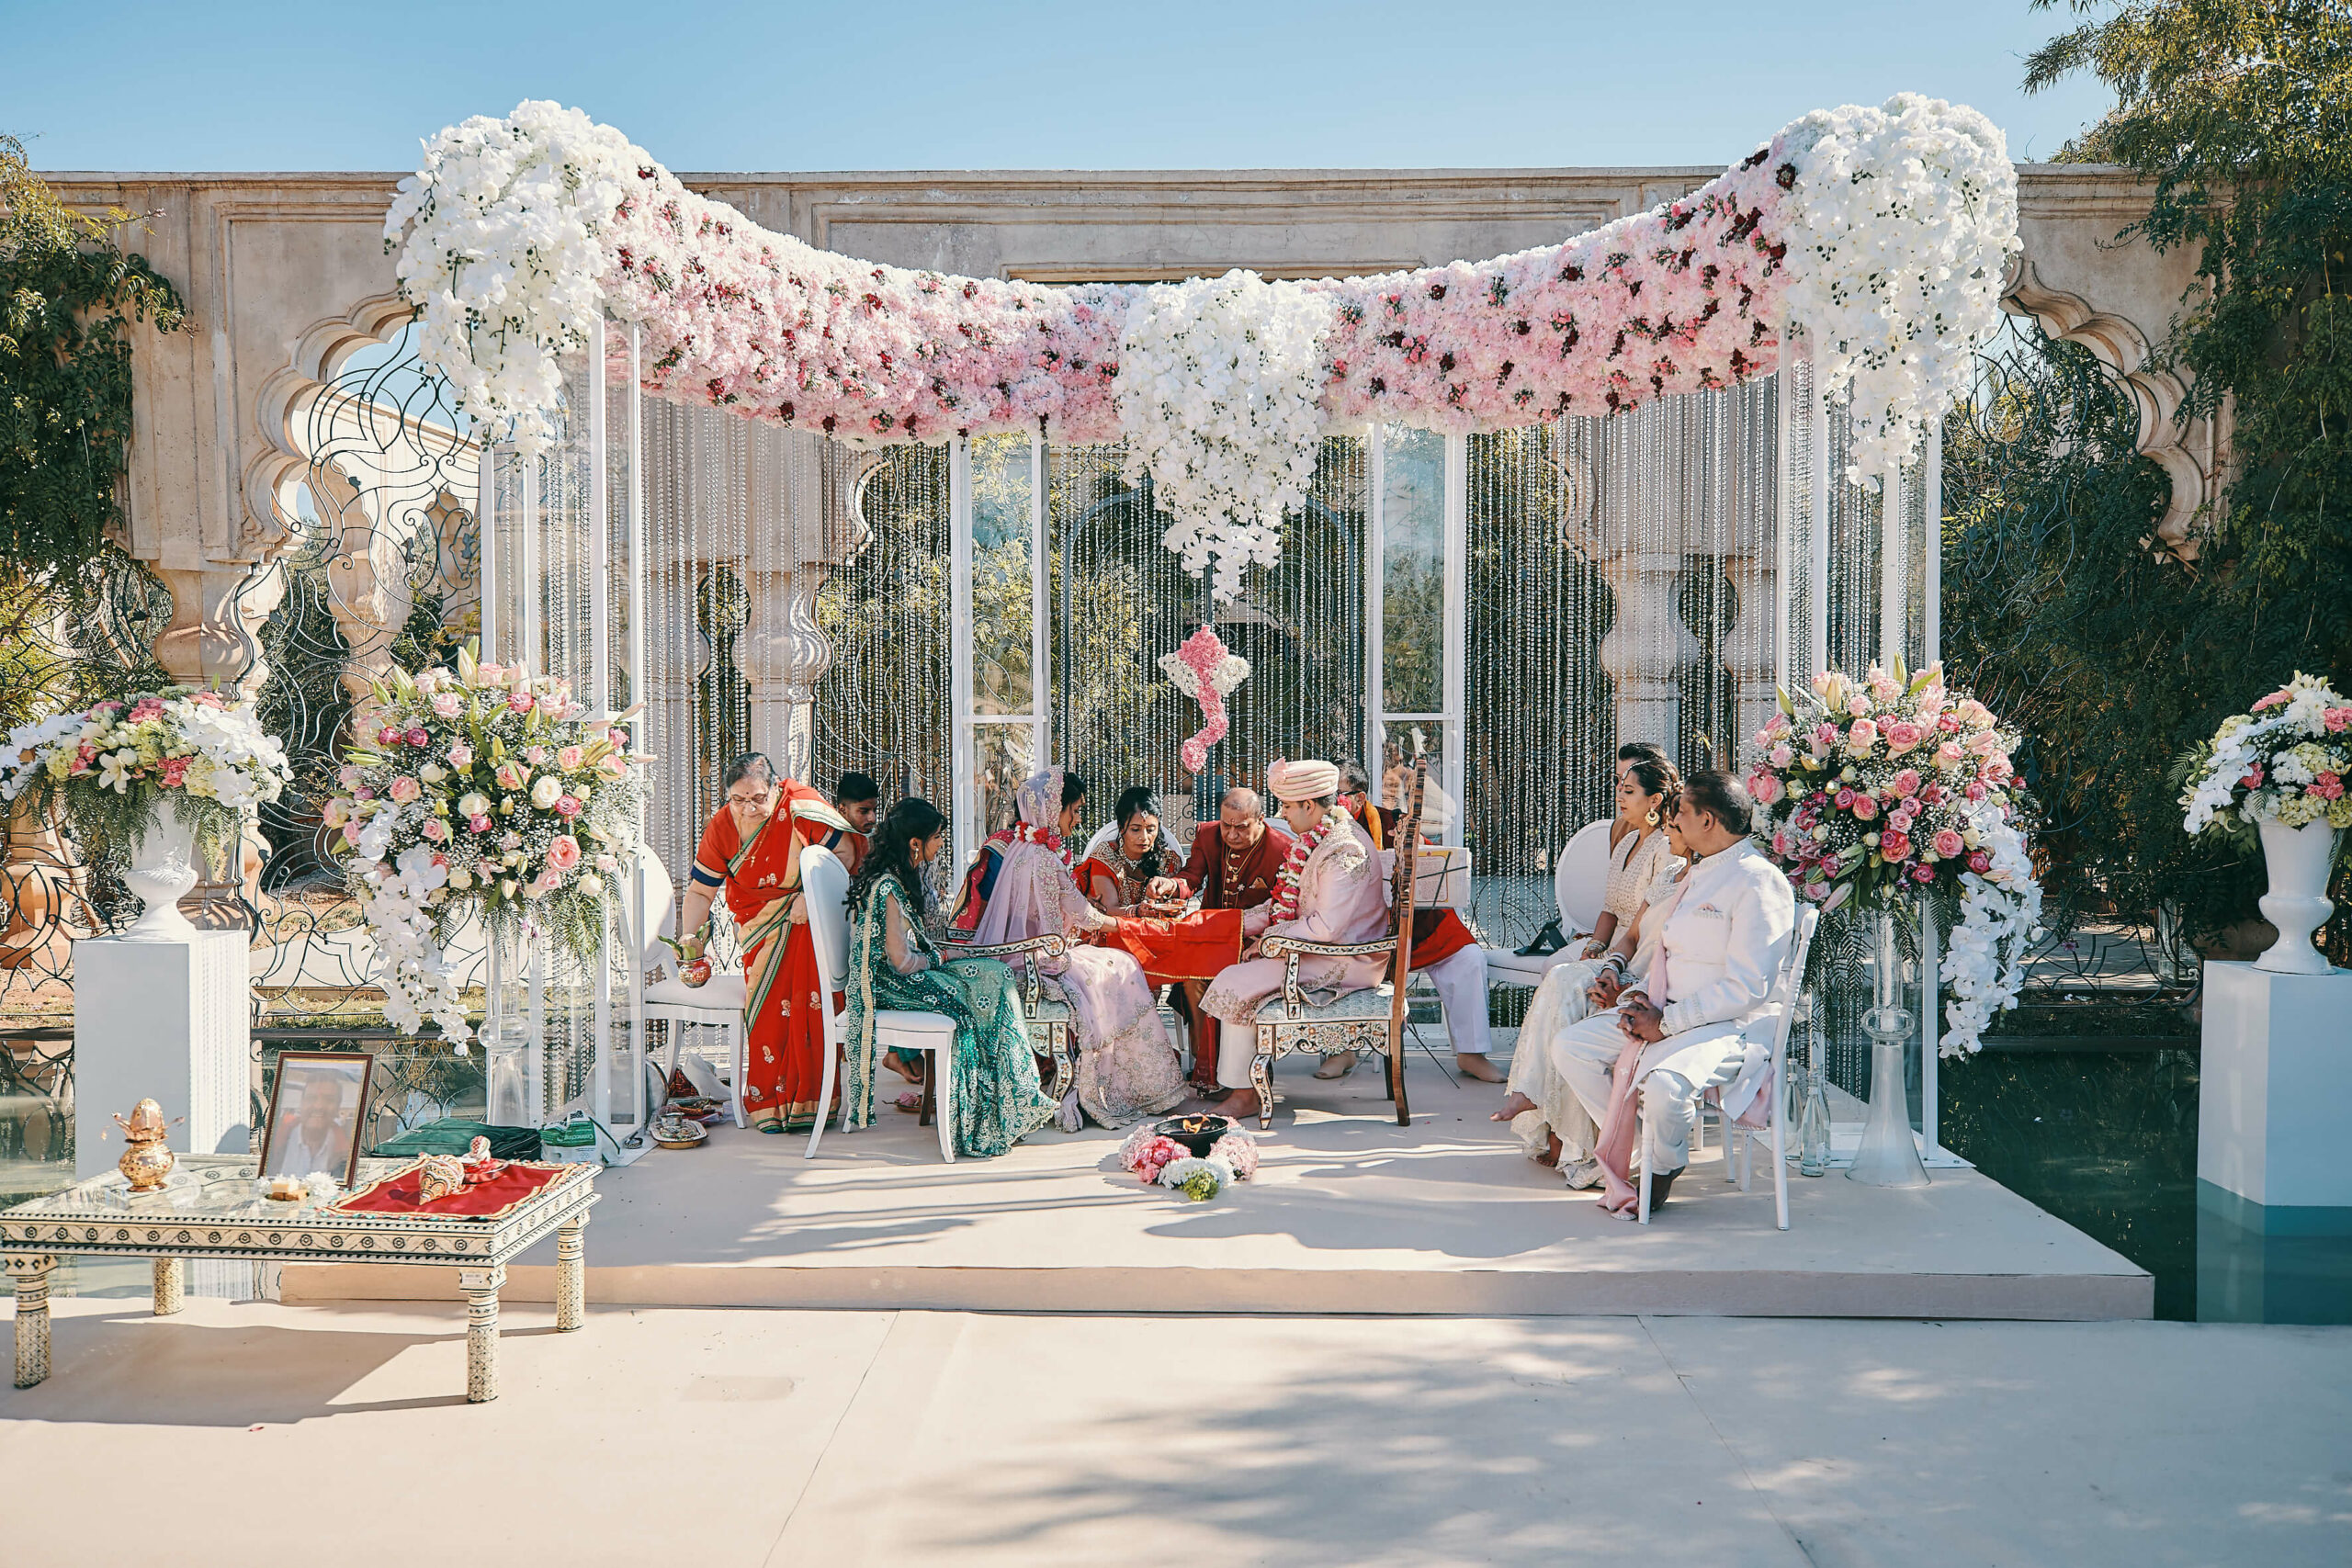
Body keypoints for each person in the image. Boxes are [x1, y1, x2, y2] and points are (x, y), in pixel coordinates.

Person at [1548, 772, 1794, 1218]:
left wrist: (1667, 1023)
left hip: (1729, 1026)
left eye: (1681, 812)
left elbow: (1750, 987)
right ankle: (1640, 1146)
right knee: (1570, 1047)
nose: (1673, 821)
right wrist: (1635, 998)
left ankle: (1664, 1166)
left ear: (1707, 820)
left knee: (1665, 1087)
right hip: (1667, 1012)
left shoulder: (1759, 880)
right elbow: (1670, 957)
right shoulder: (1698, 873)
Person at [950, 767, 1188, 1130]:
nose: (1077, 820)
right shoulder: (1046, 857)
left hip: (1015, 955)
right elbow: (1084, 915)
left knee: (1114, 965)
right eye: (1074, 811)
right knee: (1123, 965)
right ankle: (1126, 1085)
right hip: (1042, 961)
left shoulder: (1019, 848)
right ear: (1052, 810)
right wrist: (1129, 924)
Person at [840, 797, 1058, 1157]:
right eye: (937, 836)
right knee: (979, 993)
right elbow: (900, 962)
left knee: (997, 974)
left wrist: (944, 956)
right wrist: (941, 957)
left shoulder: (902, 877)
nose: (942, 843)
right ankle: (985, 1114)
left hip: (905, 976)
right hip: (889, 986)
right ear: (915, 843)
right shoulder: (887, 888)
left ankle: (1012, 1100)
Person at [1493, 781, 1690, 1176]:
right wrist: (1608, 964)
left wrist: (1624, 987)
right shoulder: (1660, 864)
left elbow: (1674, 956)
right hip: (1624, 965)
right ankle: (1542, 1107)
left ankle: (1566, 1133)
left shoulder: (1693, 878)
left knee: (1571, 986)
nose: (1667, 831)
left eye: (1675, 824)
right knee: (1562, 977)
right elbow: (1628, 930)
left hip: (1648, 983)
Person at [676, 753, 866, 1134]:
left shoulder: (800, 808)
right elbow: (700, 891)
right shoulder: (722, 827)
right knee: (765, 1016)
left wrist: (810, 894)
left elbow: (846, 853)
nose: (748, 808)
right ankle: (768, 1106)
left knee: (813, 1010)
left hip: (809, 925)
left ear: (776, 788)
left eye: (758, 798)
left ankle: (815, 1105)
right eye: (738, 799)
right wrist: (688, 937)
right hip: (758, 931)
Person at [1197, 760, 1390, 1123]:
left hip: (1347, 959)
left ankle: (1244, 1095)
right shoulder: (1323, 837)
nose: (1281, 814)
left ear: (1310, 805)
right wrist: (1228, 924)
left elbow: (1326, 927)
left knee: (1235, 981)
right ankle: (1242, 1084)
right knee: (1236, 968)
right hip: (1322, 949)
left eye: (1286, 806)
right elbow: (1290, 903)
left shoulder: (1344, 850)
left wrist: (1268, 939)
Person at [1334, 760, 1502, 1083]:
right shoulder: (1322, 831)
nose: (1329, 803)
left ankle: (1471, 1053)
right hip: (1360, 932)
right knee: (1331, 959)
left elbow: (1431, 862)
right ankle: (1342, 1049)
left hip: (1419, 925)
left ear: (1359, 798)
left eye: (1336, 795)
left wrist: (1414, 846)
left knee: (1469, 958)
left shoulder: (1391, 822)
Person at [1146, 786, 1294, 1092]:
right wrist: (1171, 886)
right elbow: (1191, 878)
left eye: (1241, 827)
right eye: (1227, 825)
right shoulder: (1208, 835)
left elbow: (1285, 909)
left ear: (1261, 820)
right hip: (1211, 937)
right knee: (1192, 979)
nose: (1232, 834)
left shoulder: (1282, 849)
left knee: (1235, 981)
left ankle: (1244, 1069)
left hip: (1254, 943)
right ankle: (1206, 1070)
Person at [1579, 753, 1681, 960]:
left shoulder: (1666, 847)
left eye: (1629, 791)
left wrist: (1612, 960)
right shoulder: (1626, 841)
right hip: (1609, 946)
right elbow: (1609, 909)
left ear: (1654, 800)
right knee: (1555, 966)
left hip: (1639, 953)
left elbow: (1654, 926)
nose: (1619, 798)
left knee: (1563, 974)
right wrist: (1593, 948)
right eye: (1621, 790)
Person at [1077, 786, 1179, 915]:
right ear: (1121, 828)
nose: (1144, 837)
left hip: (1155, 927)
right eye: (1135, 830)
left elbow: (1173, 906)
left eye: (1150, 830)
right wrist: (1137, 911)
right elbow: (1108, 909)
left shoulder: (1168, 861)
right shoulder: (1104, 856)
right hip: (1113, 926)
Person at [833, 771, 883, 848]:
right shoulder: (828, 844)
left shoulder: (881, 842)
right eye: (864, 812)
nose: (873, 819)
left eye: (875, 810)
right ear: (842, 809)